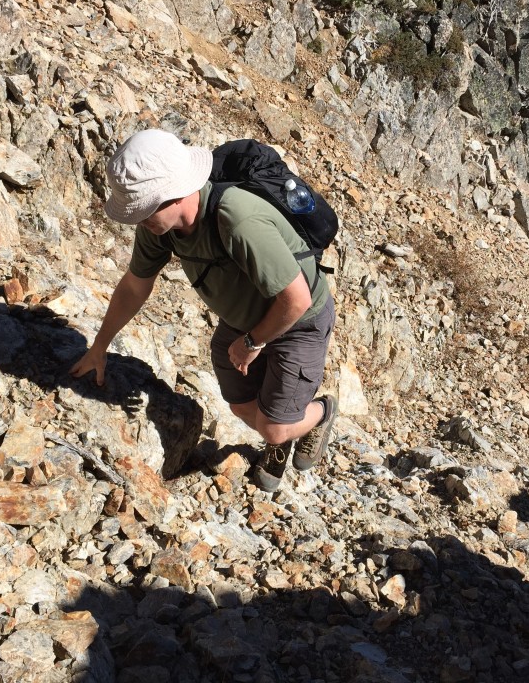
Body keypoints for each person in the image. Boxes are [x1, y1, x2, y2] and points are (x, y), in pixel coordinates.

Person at [70, 129, 337, 492]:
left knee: (272, 427)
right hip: (244, 320)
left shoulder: (237, 220)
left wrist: (252, 342)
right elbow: (135, 285)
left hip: (297, 323)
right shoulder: (157, 227)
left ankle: (318, 414)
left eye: (144, 207)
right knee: (242, 407)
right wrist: (99, 347)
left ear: (175, 193)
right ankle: (285, 422)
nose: (138, 219)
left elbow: (296, 300)